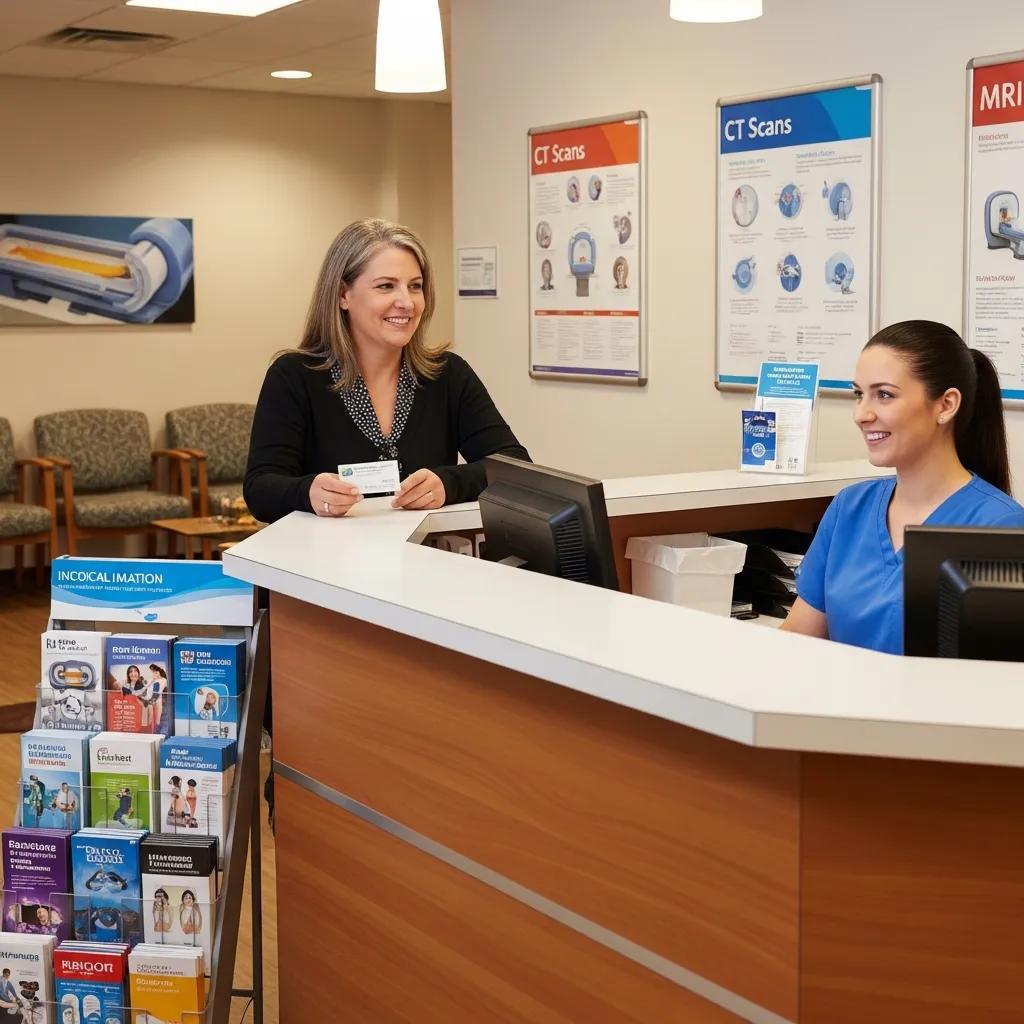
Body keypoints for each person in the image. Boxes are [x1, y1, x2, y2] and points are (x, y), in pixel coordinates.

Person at [244, 219, 529, 523]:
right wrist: (308, 492)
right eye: (386, 286)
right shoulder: (294, 376)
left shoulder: (447, 374)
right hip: (323, 564)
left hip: (422, 562)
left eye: (415, 286)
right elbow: (260, 489)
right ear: (343, 295)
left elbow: (515, 467)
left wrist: (448, 484)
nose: (406, 302)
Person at [783, 321, 1024, 654]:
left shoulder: (1001, 527)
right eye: (859, 394)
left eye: (884, 395)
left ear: (946, 405)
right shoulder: (849, 507)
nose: (861, 414)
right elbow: (794, 641)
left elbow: (995, 681)